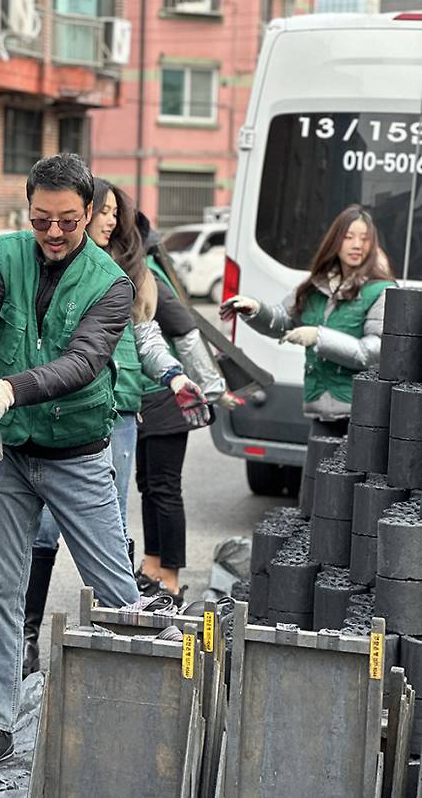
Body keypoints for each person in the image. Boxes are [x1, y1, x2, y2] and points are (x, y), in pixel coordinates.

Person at [0, 154, 144, 772]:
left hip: (78, 455)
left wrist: (7, 390)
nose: (53, 233)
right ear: (28, 209)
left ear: (92, 213)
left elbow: (83, 362)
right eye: (42, 219)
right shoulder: (3, 256)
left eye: (68, 222)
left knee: (116, 595)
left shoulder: (112, 282)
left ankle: (133, 715)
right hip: (12, 453)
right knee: (1, 592)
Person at [22, 178, 208, 676]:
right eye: (100, 211)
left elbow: (149, 340)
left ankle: (111, 635)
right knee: (42, 527)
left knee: (109, 523)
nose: (108, 219)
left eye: (112, 212)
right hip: (55, 405)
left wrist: (174, 374)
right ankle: (26, 637)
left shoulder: (133, 275)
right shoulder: (58, 270)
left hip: (120, 412)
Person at [220, 204, 396, 438]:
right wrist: (255, 309)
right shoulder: (316, 285)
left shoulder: (381, 290)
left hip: (362, 416)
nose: (356, 245)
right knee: (314, 475)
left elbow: (373, 352)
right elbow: (283, 322)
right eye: (349, 237)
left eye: (364, 239)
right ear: (335, 241)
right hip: (319, 409)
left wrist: (318, 336)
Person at [133, 222, 240, 604]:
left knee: (164, 489)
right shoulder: (131, 271)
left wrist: (213, 390)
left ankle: (172, 579)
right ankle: (152, 564)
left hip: (166, 399)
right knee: (149, 486)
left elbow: (186, 331)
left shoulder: (147, 276)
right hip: (146, 398)